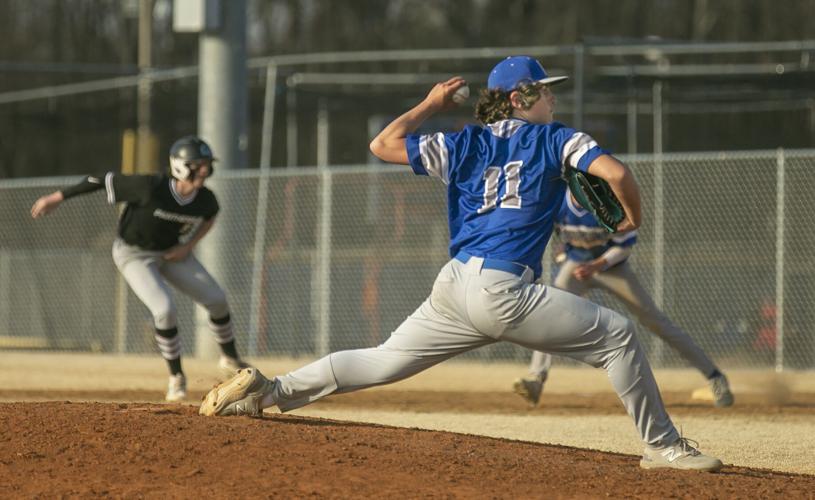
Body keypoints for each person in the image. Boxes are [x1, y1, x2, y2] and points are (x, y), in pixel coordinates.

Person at [199, 56, 723, 471]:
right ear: (521, 98)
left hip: (455, 285)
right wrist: (631, 220)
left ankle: (269, 393)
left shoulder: (463, 143)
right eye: (544, 89)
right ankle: (664, 447)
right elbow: (618, 173)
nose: (553, 96)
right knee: (620, 337)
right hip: (505, 290)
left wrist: (430, 102)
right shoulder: (558, 137)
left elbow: (382, 144)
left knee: (384, 360)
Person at [31, 136, 251, 402]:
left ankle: (228, 358)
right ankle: (176, 378)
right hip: (134, 254)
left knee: (217, 299)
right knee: (164, 309)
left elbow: (210, 216)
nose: (204, 170)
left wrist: (189, 245)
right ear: (180, 166)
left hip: (171, 252)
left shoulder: (205, 199)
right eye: (198, 165)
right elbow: (101, 179)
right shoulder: (151, 187)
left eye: (206, 165)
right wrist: (57, 197)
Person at [513, 193, 734, 408]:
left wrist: (596, 265)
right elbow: (555, 240)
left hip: (611, 268)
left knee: (655, 320)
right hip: (577, 266)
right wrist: (563, 259)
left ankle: (715, 376)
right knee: (550, 315)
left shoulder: (605, 201)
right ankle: (535, 379)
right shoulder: (558, 198)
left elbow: (624, 246)